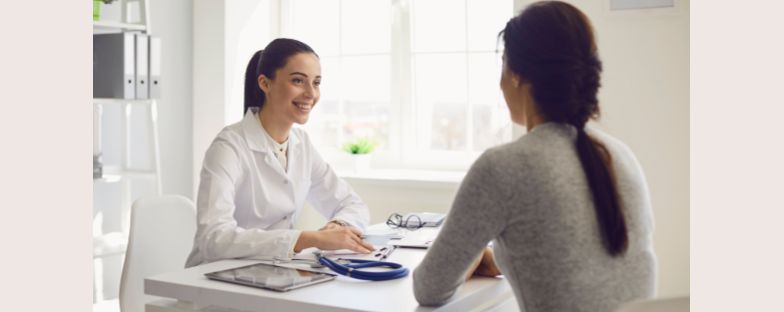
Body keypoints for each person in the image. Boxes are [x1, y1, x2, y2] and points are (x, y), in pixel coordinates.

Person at [412, 1, 657, 311]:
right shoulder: (620, 156)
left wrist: (470, 256)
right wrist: (501, 256)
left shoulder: (503, 167)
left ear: (516, 74)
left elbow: (429, 288)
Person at [186, 38, 374, 268]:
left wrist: (338, 225)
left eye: (316, 83)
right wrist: (306, 238)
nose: (310, 93)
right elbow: (214, 239)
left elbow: (352, 203)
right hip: (212, 281)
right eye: (298, 81)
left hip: (273, 271)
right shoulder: (229, 147)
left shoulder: (300, 143)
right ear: (265, 83)